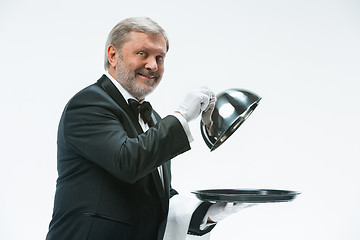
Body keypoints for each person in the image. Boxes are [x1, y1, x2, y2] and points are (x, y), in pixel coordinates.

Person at [46, 17, 248, 240]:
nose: (153, 66)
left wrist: (208, 214)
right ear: (113, 55)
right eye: (142, 53)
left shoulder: (153, 118)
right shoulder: (88, 104)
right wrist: (181, 116)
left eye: (159, 57)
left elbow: (156, 199)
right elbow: (127, 161)